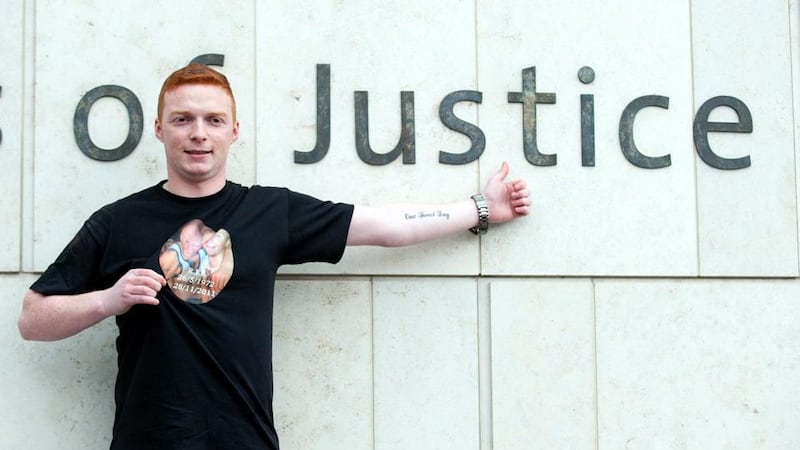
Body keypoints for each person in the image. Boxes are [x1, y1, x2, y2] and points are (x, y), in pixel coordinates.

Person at [17, 63, 530, 449]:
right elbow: (33, 318)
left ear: (233, 132)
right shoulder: (119, 220)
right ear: (159, 129)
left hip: (245, 439)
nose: (199, 132)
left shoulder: (269, 211)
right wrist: (108, 300)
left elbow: (385, 225)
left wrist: (482, 208)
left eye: (214, 120)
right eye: (183, 119)